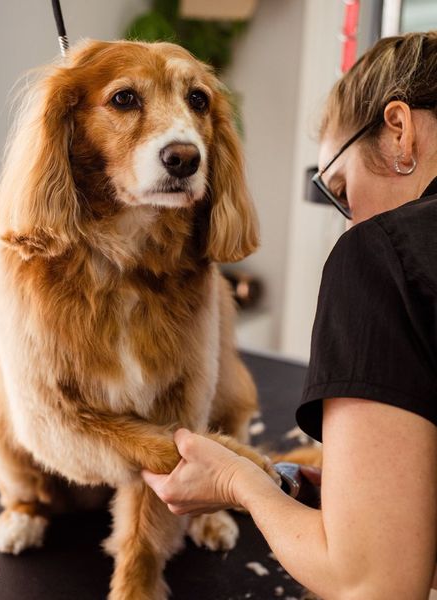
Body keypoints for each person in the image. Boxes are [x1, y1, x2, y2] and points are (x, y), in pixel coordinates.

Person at [142, 31, 437, 600]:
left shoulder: (381, 252)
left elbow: (371, 585)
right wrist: (385, 508)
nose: (352, 224)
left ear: (400, 130)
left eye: (343, 191)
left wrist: (240, 483)